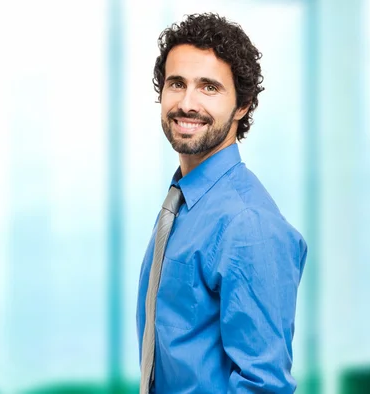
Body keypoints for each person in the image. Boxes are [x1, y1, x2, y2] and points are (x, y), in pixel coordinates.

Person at [136, 13, 307, 393]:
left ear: (243, 105)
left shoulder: (248, 223)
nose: (186, 102)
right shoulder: (181, 203)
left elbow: (264, 386)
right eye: (176, 83)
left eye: (208, 87)